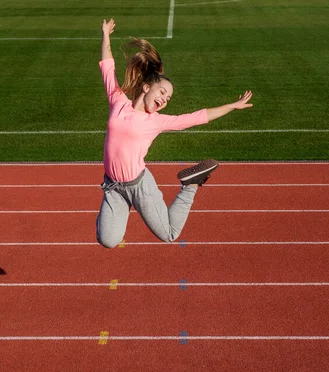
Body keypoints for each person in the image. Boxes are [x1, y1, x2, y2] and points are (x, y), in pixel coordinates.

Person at [96, 18, 253, 248]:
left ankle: (189, 186)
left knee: (169, 233)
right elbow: (107, 66)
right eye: (162, 92)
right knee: (108, 241)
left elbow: (196, 117)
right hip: (112, 187)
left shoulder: (156, 121)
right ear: (146, 87)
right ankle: (108, 220)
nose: (164, 99)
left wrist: (231, 106)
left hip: (139, 185)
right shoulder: (118, 101)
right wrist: (105, 35)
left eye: (168, 98)